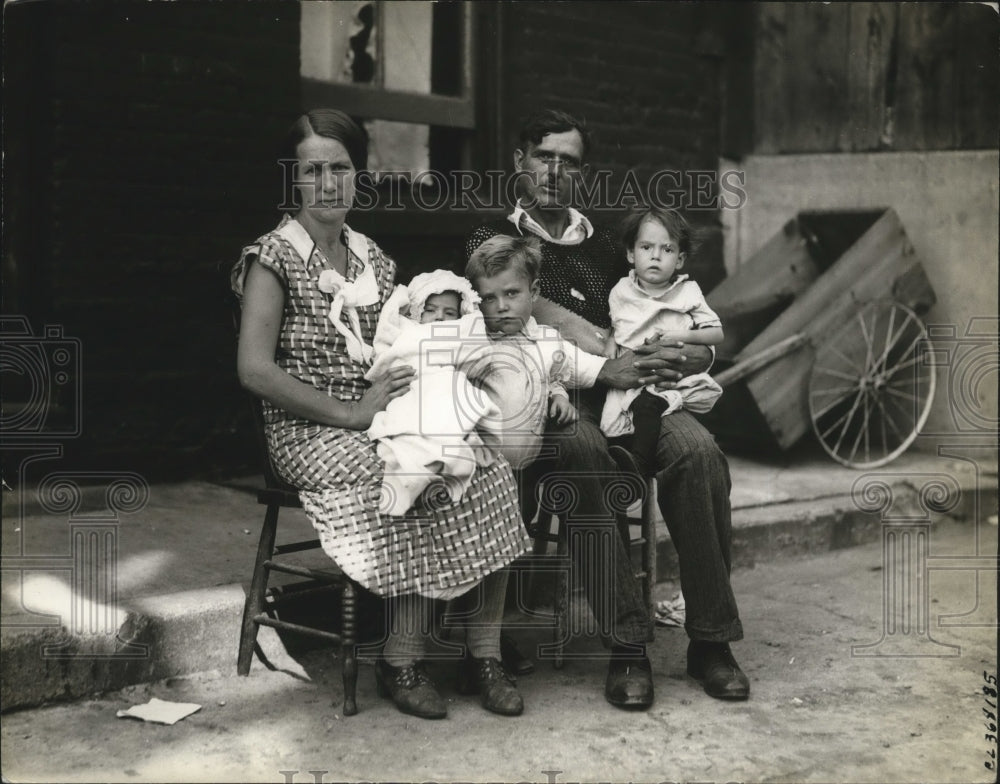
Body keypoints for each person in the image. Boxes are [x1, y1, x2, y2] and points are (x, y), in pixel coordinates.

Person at [233, 108, 530, 720]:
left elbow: (410, 342)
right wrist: (350, 412)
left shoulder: (372, 258)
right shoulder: (273, 258)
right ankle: (402, 658)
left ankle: (483, 651)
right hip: (311, 428)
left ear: (357, 175)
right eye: (313, 170)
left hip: (385, 411)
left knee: (487, 460)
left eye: (340, 168)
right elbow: (254, 371)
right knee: (412, 473)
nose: (328, 183)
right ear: (293, 178)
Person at [466, 108, 750, 704]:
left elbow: (662, 310)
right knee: (587, 452)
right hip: (551, 399)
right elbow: (535, 307)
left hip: (635, 393)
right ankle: (626, 644)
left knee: (698, 452)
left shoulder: (605, 243)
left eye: (569, 161)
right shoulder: (492, 234)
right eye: (544, 156)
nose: (554, 170)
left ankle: (711, 639)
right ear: (520, 162)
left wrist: (684, 357)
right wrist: (608, 350)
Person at [364, 269, 500, 517]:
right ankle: (422, 461)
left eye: (450, 313)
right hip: (412, 383)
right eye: (431, 310)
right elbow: (389, 353)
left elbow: (475, 353)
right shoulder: (409, 331)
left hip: (445, 381)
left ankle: (438, 455)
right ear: (417, 312)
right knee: (410, 417)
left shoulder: (460, 332)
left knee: (453, 398)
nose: (439, 318)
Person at [601, 207, 725, 477]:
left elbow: (716, 334)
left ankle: (639, 469)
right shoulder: (621, 290)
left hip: (666, 378)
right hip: (629, 374)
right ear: (631, 254)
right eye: (646, 247)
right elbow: (617, 321)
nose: (655, 256)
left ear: (679, 259)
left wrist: (680, 335)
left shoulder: (687, 292)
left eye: (667, 250)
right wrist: (611, 339)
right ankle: (620, 473)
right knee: (611, 423)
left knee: (648, 406)